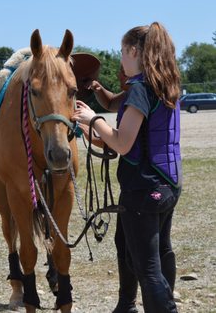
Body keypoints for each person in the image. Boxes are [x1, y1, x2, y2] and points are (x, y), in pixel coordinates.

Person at [72, 22, 182, 313]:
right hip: (166, 183)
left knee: (146, 267)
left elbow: (122, 143)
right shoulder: (164, 84)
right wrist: (89, 132)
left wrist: (93, 118)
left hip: (143, 190)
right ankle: (126, 307)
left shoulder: (139, 90)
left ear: (134, 51)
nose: (120, 58)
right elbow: (135, 142)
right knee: (146, 251)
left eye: (122, 51)